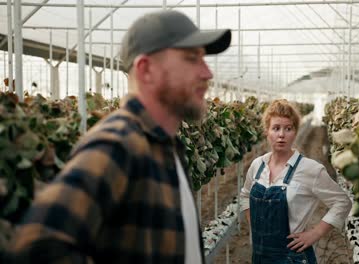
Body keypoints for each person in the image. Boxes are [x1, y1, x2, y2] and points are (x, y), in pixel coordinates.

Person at [7, 10, 231, 264]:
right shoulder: (118, 144)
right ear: (146, 70)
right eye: (192, 59)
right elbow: (35, 248)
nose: (207, 73)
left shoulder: (164, 146)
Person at [240, 99, 352, 264]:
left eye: (288, 128)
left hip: (293, 258)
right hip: (259, 256)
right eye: (276, 128)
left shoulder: (310, 169)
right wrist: (256, 226)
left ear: (295, 132)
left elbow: (342, 202)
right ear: (266, 132)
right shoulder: (258, 166)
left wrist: (315, 233)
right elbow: (245, 196)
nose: (281, 135)